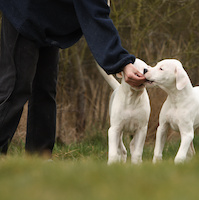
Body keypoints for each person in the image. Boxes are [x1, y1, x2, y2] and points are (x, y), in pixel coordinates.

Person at [0, 0, 146, 157]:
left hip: (49, 16)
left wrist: (121, 62)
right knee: (16, 87)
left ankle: (39, 158)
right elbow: (95, 15)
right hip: (25, 10)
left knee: (45, 88)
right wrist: (122, 62)